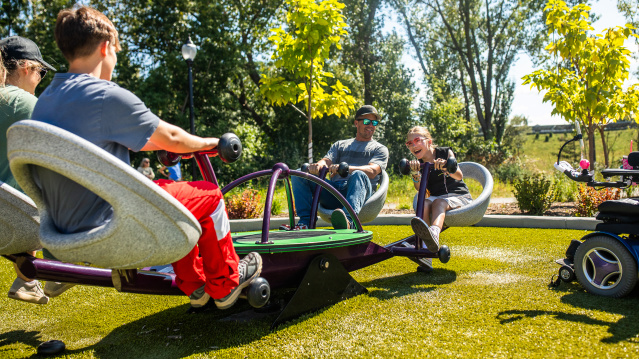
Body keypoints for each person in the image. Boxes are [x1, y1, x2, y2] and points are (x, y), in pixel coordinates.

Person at [29, 6, 262, 310]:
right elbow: (175, 139)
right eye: (116, 51)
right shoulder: (104, 96)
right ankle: (225, 284)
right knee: (209, 195)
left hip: (63, 232)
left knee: (168, 192)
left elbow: (115, 142)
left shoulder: (46, 102)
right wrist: (213, 142)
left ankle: (195, 287)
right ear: (105, 47)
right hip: (113, 225)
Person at [0, 35, 63, 304]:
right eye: (41, 71)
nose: (41, 79)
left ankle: (28, 279)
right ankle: (60, 268)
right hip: (14, 220)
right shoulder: (20, 102)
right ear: (26, 68)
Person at [289, 105, 389, 230]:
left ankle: (348, 221)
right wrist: (316, 166)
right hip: (335, 193)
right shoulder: (340, 145)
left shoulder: (379, 149)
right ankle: (305, 222)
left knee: (358, 175)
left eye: (374, 122)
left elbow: (373, 171)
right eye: (367, 121)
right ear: (356, 123)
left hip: (361, 196)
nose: (371, 125)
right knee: (299, 174)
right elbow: (326, 161)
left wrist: (347, 168)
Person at [405, 126, 473, 272]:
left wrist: (446, 168)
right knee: (423, 203)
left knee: (438, 202)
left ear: (429, 141)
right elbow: (419, 189)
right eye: (409, 143)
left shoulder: (445, 152)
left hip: (458, 196)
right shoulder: (418, 163)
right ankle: (426, 256)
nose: (414, 145)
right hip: (437, 197)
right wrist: (416, 173)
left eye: (417, 140)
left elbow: (459, 176)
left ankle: (433, 234)